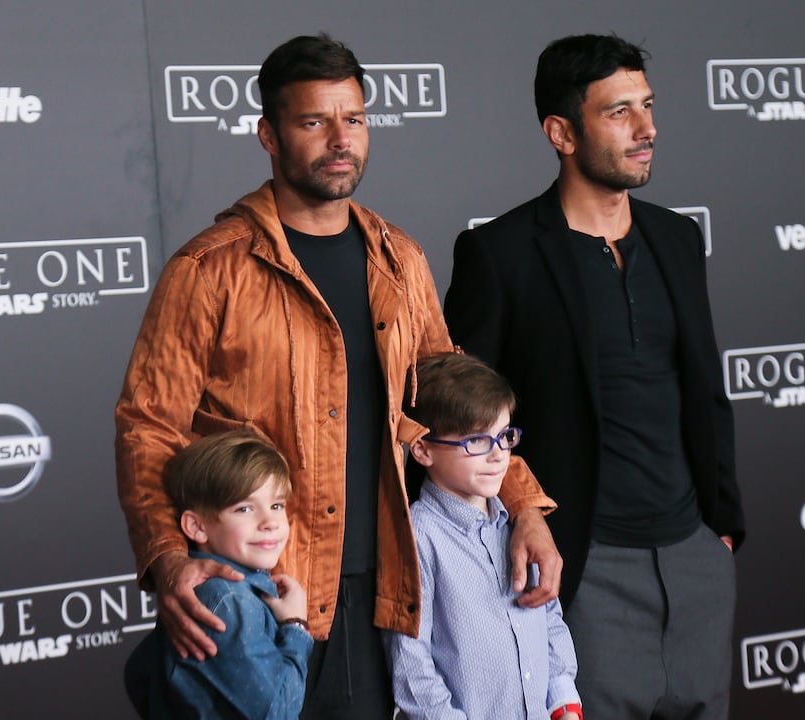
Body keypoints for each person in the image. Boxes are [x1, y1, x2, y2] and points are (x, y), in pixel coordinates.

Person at [114, 34, 561, 719]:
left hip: (390, 586)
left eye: (352, 119)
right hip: (262, 592)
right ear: (268, 133)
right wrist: (170, 558)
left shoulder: (398, 259)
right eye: (313, 121)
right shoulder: (209, 269)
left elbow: (454, 403)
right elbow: (149, 427)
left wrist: (524, 505)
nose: (339, 139)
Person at [442, 34, 746, 719]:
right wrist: (526, 512)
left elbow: (704, 388)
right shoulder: (500, 253)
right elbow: (458, 413)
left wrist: (719, 532)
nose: (647, 129)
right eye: (618, 113)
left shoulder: (675, 237)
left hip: (693, 557)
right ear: (562, 132)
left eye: (647, 106)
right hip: (581, 564)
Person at [384, 353, 582, 720]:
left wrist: (563, 703)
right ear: (423, 449)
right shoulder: (417, 538)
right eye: (476, 441)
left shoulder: (517, 527)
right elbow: (411, 665)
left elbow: (549, 617)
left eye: (504, 436)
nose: (497, 456)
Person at [125, 429, 312, 719]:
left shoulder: (216, 592)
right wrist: (296, 626)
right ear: (196, 527)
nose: (270, 522)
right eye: (244, 508)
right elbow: (277, 711)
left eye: (276, 505)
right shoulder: (228, 601)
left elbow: (137, 673)